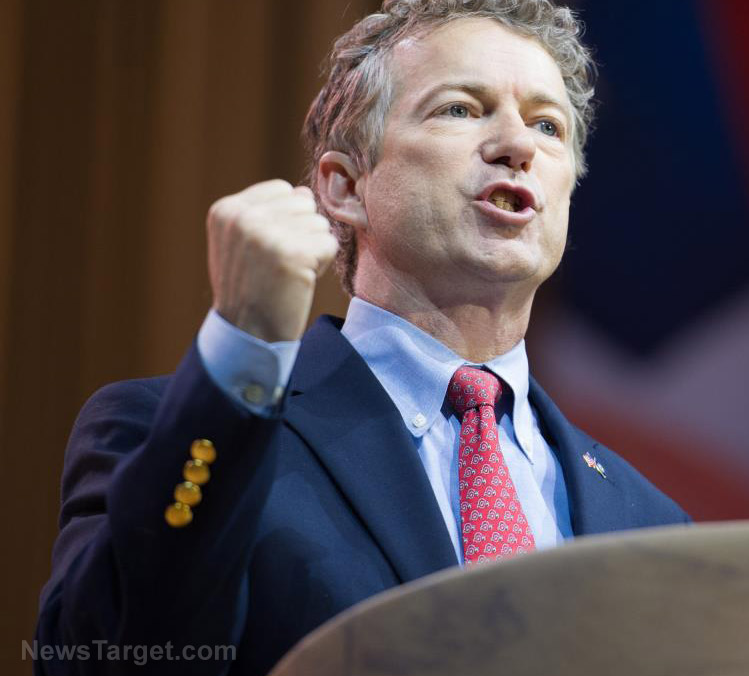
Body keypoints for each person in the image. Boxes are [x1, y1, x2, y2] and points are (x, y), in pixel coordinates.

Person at [34, 2, 689, 674]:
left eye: (547, 125)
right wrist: (245, 348)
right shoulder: (179, 434)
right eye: (461, 109)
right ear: (345, 188)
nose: (517, 145)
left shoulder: (651, 523)